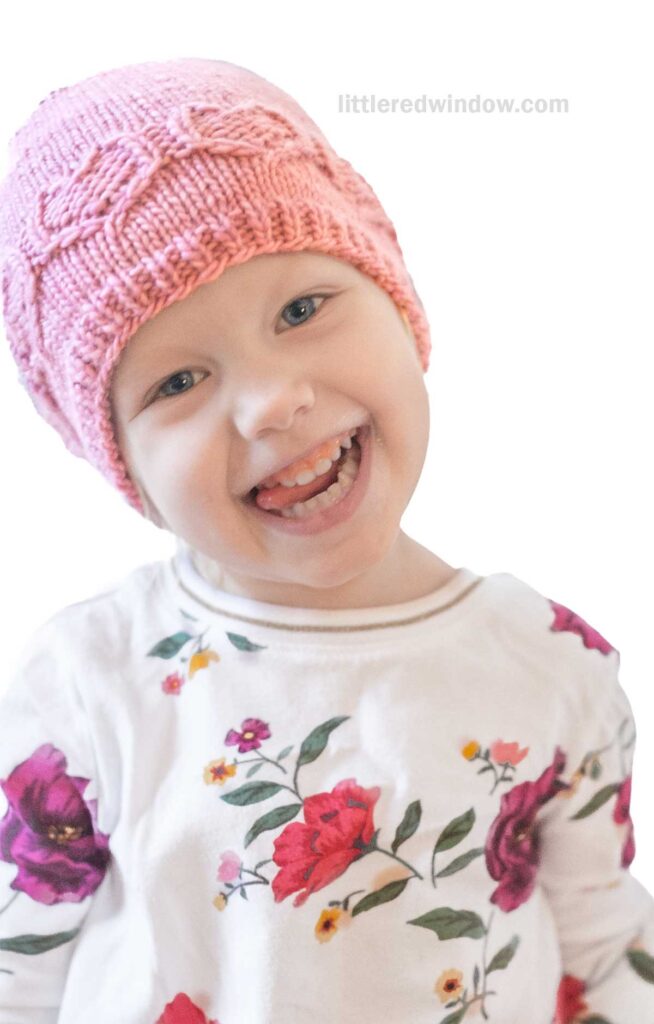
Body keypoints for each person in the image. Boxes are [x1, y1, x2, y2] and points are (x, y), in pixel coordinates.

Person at [0, 57, 651, 1024]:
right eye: (178, 383)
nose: (271, 403)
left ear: (400, 301)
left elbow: (604, 947)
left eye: (302, 310)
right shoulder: (92, 681)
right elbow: (18, 972)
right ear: (124, 468)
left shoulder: (554, 664)